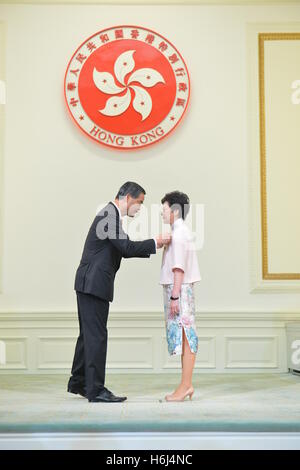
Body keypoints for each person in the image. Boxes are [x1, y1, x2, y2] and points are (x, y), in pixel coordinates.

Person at [67, 181, 171, 403]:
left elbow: (120, 249)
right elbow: (126, 248)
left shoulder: (110, 216)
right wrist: (156, 242)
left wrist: (153, 244)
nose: (140, 208)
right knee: (96, 336)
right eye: (139, 203)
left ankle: (79, 382)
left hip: (88, 284)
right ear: (127, 198)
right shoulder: (108, 214)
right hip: (93, 285)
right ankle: (95, 390)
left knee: (88, 335)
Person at [159, 191, 201, 402]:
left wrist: (175, 297)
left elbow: (179, 268)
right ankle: (186, 385)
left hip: (180, 290)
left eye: (164, 209)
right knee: (184, 337)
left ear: (175, 210)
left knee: (186, 336)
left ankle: (185, 386)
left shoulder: (180, 233)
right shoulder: (178, 232)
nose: (161, 213)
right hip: (179, 290)